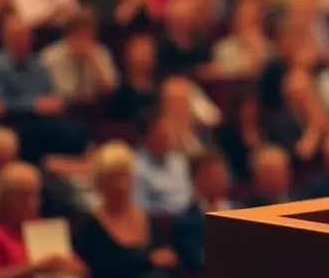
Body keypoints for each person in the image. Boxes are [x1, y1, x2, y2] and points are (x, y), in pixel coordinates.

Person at [0, 15, 87, 161]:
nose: (23, 40)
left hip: (46, 118)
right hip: (18, 120)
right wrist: (33, 105)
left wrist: (54, 102)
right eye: (18, 35)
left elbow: (50, 93)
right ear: (5, 38)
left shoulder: (38, 64)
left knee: (78, 129)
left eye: (26, 35)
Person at [75, 141, 181, 278]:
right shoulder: (89, 226)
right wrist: (148, 261)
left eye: (125, 176)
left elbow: (168, 258)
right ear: (100, 183)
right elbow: (101, 270)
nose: (122, 185)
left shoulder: (146, 217)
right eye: (113, 178)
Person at [0, 161, 88, 278]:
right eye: (22, 196)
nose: (31, 203)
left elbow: (80, 269)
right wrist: (34, 268)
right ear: (5, 199)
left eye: (34, 195)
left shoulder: (44, 228)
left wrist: (72, 267)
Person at [171, 151, 234, 275]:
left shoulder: (243, 211)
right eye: (211, 175)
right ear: (196, 179)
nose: (217, 179)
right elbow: (201, 261)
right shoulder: (185, 223)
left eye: (220, 173)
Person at [40, 9, 119, 103]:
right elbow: (51, 92)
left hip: (94, 105)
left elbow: (110, 88)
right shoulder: (51, 56)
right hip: (63, 106)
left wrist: (93, 60)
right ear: (68, 35)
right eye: (78, 35)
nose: (82, 41)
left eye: (87, 35)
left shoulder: (101, 53)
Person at [133, 107, 193, 216]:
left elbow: (186, 196)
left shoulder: (179, 162)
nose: (168, 138)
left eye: (169, 133)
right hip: (156, 221)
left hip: (185, 218)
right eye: (162, 133)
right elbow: (139, 206)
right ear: (146, 137)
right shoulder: (135, 166)